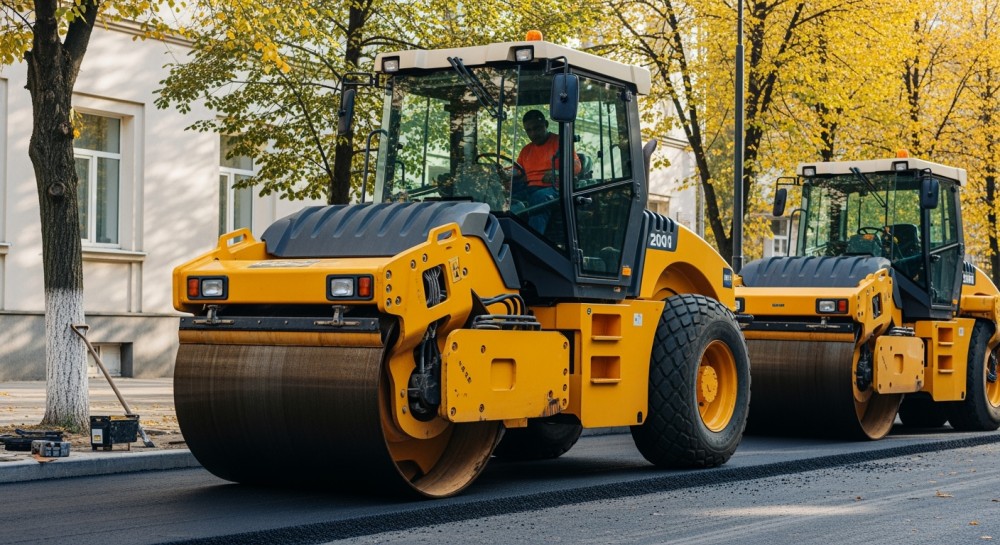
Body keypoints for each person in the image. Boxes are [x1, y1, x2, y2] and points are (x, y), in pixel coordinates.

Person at [512, 109, 581, 233]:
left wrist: (558, 173)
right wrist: (506, 173)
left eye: (537, 128)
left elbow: (576, 166)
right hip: (530, 188)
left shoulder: (560, 142)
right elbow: (517, 171)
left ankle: (533, 243)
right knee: (506, 199)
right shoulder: (526, 150)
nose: (533, 133)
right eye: (529, 130)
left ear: (546, 125)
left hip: (555, 188)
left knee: (539, 198)